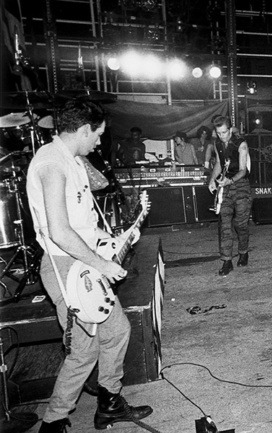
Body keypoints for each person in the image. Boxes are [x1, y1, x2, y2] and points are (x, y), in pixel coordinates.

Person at [25, 101, 152, 432]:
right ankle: (53, 422)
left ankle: (109, 403)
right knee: (83, 351)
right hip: (67, 267)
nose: (99, 142)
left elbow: (82, 225)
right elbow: (59, 231)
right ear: (83, 130)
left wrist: (115, 239)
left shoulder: (74, 161)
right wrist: (102, 264)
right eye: (97, 134)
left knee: (117, 332)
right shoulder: (52, 164)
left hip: (82, 261)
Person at [208, 116, 251, 276]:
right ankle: (227, 261)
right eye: (219, 133)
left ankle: (243, 251)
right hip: (225, 186)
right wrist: (212, 180)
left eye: (224, 132)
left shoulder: (241, 144)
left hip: (240, 185)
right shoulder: (217, 143)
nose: (222, 136)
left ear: (230, 129)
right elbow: (219, 163)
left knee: (240, 224)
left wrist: (230, 181)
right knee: (224, 224)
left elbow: (243, 170)